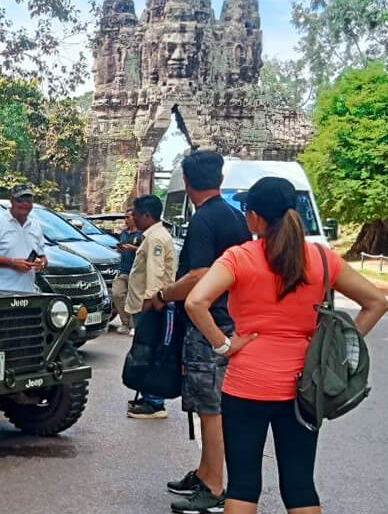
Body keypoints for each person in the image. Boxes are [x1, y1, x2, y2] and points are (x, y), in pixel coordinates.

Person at [184, 176, 388, 513]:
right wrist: (334, 351)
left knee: (243, 486)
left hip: (246, 384)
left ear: (254, 218)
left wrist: (223, 345)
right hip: (303, 387)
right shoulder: (323, 259)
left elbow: (195, 302)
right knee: (299, 485)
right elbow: (377, 303)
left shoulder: (239, 257)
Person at [156, 151, 250, 514]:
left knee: (211, 408)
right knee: (207, 402)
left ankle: (213, 486)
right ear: (220, 180)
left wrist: (162, 295)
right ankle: (205, 470)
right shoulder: (235, 217)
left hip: (209, 321)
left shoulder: (204, 221)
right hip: (230, 317)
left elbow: (198, 277)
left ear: (189, 183)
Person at [125, 194, 177, 419]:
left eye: (135, 214)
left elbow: (155, 275)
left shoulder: (156, 238)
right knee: (145, 351)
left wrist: (149, 302)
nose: (133, 218)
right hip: (148, 303)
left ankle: (155, 402)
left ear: (147, 215)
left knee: (150, 351)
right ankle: (147, 396)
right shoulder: (152, 236)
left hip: (152, 304)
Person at [0, 184, 48, 292]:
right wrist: (12, 262)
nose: (24, 204)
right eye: (20, 200)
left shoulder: (36, 226)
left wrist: (41, 263)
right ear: (11, 200)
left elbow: (43, 257)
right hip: (0, 292)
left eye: (29, 201)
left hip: (29, 293)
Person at [112, 208, 142, 335]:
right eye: (125, 217)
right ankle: (125, 322)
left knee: (134, 298)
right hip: (123, 269)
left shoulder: (141, 234)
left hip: (135, 270)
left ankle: (134, 325)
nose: (126, 220)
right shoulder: (124, 233)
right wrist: (120, 248)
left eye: (128, 217)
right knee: (117, 294)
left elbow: (144, 250)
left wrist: (132, 248)